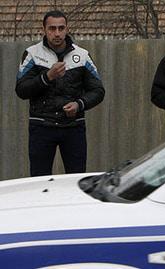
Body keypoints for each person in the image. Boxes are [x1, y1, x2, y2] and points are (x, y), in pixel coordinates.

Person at [15, 10, 105, 177]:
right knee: (39, 181)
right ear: (44, 29)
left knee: (75, 179)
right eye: (52, 28)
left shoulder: (82, 55)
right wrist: (47, 77)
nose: (57, 33)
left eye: (61, 28)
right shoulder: (32, 54)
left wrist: (79, 104)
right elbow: (21, 90)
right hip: (41, 126)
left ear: (67, 29)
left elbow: (98, 90)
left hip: (73, 126)